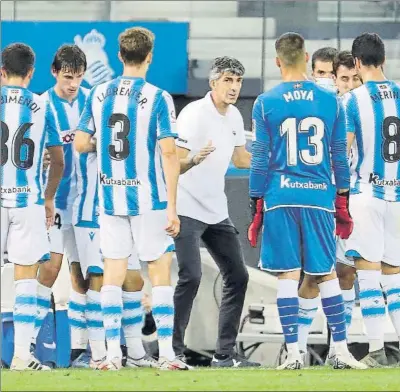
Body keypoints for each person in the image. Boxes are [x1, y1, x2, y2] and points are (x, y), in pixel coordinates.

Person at [248, 32, 366, 370]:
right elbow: (339, 156)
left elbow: (260, 158)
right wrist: (342, 200)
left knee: (288, 274)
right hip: (318, 196)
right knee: (326, 272)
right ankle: (340, 350)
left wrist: (256, 205)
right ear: (307, 57)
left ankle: (295, 352)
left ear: (276, 61)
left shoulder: (266, 101)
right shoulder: (329, 100)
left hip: (280, 196)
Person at [74, 26, 181, 371]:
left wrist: (104, 151)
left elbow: (79, 143)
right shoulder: (159, 97)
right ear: (149, 57)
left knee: (113, 273)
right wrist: (174, 208)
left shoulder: (98, 93)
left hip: (110, 197)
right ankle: (165, 355)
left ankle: (111, 356)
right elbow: (168, 154)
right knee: (160, 272)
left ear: (119, 56)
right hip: (149, 199)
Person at [172, 56, 258, 369]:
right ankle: (174, 353)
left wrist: (276, 160)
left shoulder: (234, 116)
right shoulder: (193, 115)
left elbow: (241, 159)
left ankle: (223, 356)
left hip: (215, 210)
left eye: (237, 81)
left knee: (238, 275)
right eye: (227, 81)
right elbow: (174, 164)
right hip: (186, 207)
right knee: (191, 276)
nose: (234, 87)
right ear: (213, 83)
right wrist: (194, 160)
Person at [345, 32, 400, 367]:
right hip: (399, 196)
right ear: (384, 61)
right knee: (394, 274)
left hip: (365, 193)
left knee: (367, 272)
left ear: (358, 63)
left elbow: (344, 147)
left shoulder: (353, 100)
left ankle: (376, 349)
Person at [0, 43, 64, 370]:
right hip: (28, 200)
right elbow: (59, 160)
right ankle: (21, 356)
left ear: (1, 71)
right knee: (25, 277)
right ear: (31, 73)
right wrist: (49, 197)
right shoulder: (43, 105)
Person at [296, 50, 362, 365]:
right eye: (320, 73)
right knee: (314, 274)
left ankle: (340, 349)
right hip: (319, 199)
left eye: (352, 78)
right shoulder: (316, 108)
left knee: (347, 272)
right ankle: (295, 347)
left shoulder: (360, 107)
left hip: (353, 199)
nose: (337, 82)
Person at [29, 44, 92, 368]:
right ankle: (28, 343)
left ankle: (80, 350)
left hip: (85, 204)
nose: (73, 84)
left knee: (82, 276)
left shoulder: (91, 100)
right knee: (50, 269)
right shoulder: (40, 104)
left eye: (79, 77)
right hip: (53, 203)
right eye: (68, 76)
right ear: (54, 72)